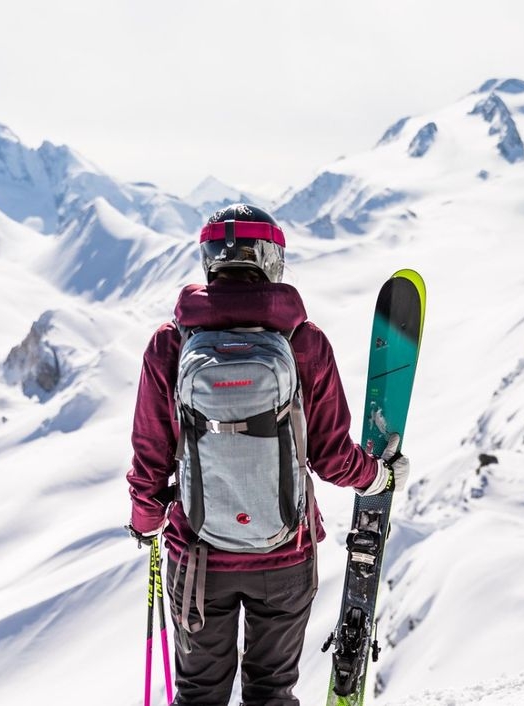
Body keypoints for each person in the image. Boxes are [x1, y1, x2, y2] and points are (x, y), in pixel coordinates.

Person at [127, 203, 409, 705]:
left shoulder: (170, 344)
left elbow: (151, 453)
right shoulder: (304, 342)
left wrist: (146, 518)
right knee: (271, 692)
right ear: (271, 260)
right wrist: (378, 478)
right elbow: (329, 455)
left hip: (197, 558)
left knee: (198, 694)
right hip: (284, 555)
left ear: (210, 260)